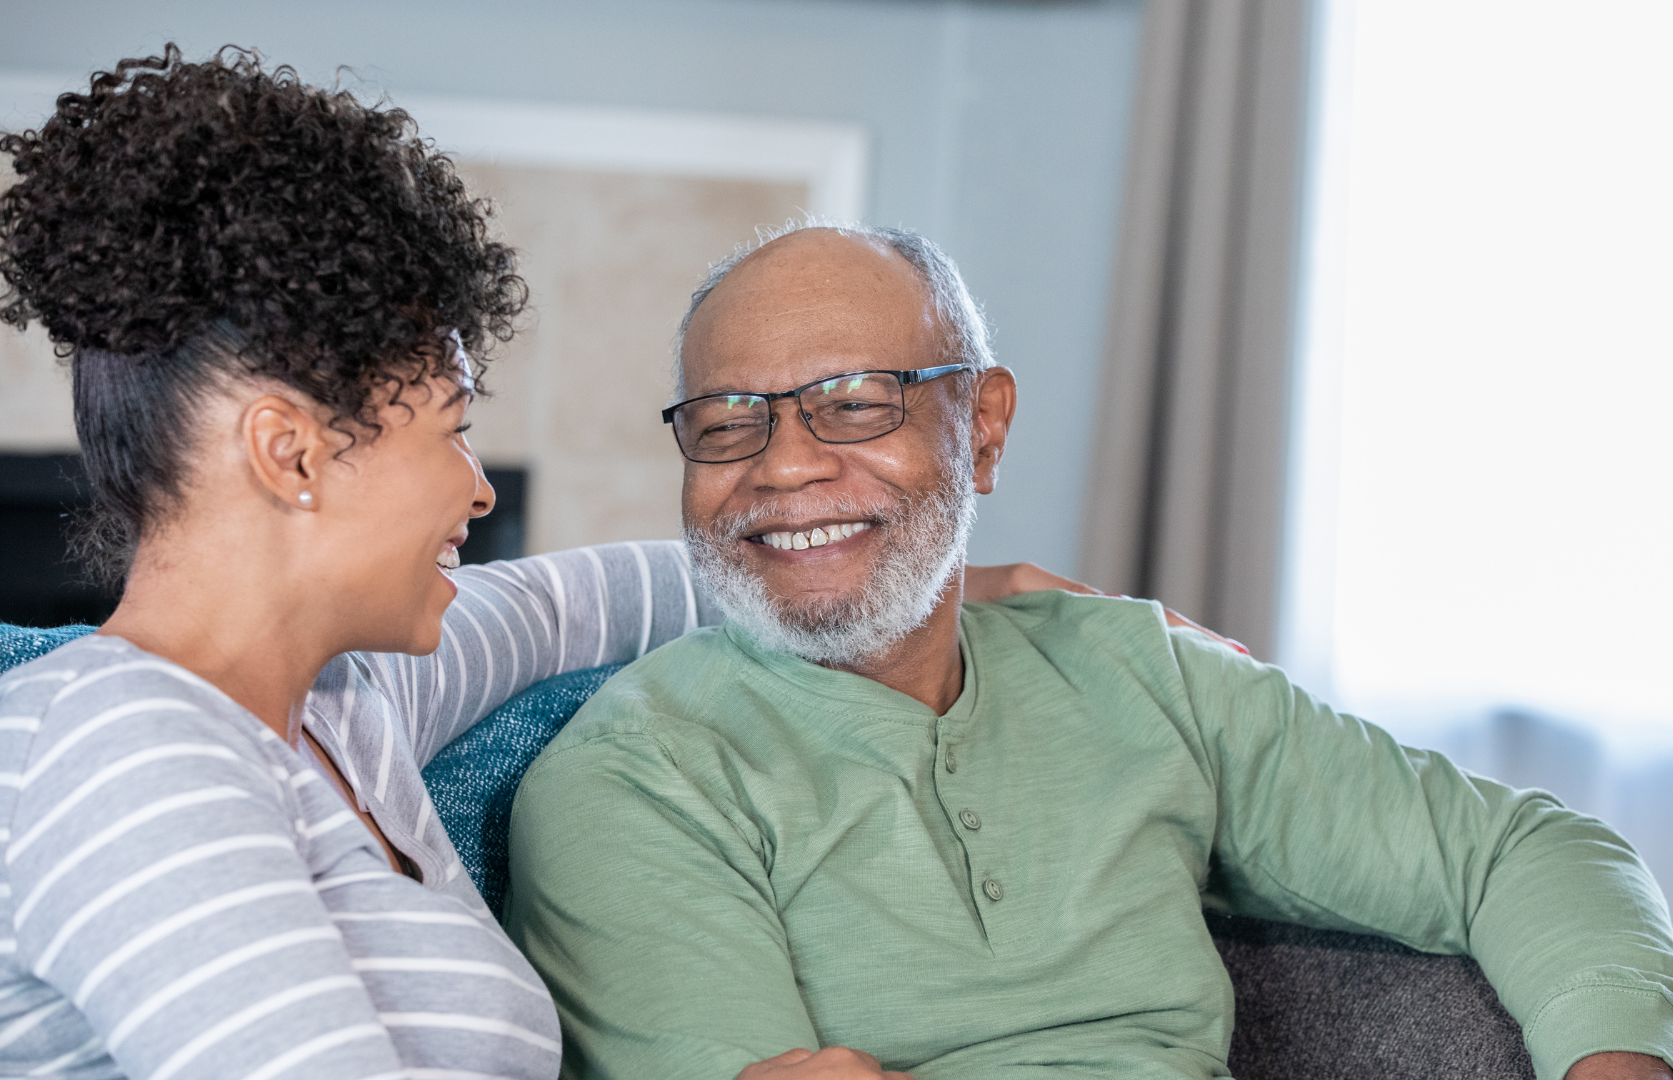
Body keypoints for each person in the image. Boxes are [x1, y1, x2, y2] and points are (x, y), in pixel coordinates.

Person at [0, 48, 1084, 1080]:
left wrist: (927, 584)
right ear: (292, 453)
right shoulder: (128, 747)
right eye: (451, 428)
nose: (477, 488)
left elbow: (595, 599)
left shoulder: (345, 704)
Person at [505, 223, 1673, 1080]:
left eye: (856, 403)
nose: (784, 465)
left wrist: (1613, 1061)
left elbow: (1522, 855)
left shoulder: (1140, 672)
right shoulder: (632, 775)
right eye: (728, 423)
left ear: (982, 427)